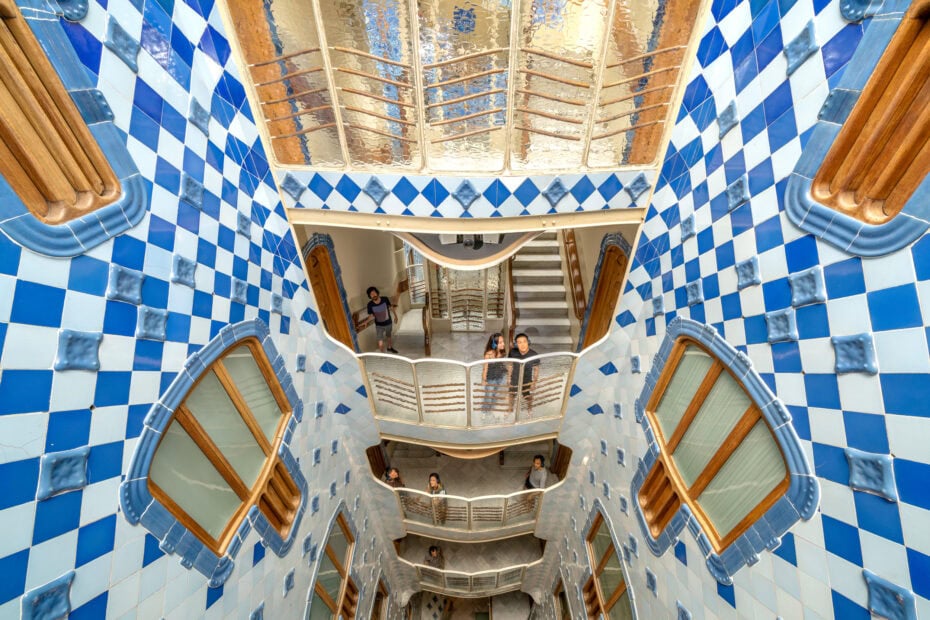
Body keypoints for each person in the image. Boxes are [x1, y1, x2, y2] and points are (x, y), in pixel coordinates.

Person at [480, 332, 512, 415]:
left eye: (503, 342)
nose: (503, 344)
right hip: (490, 378)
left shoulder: (502, 352)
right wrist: (483, 379)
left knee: (495, 394)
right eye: (500, 343)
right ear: (494, 344)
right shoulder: (489, 354)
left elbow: (502, 363)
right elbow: (485, 368)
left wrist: (508, 374)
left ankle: (491, 409)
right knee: (488, 395)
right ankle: (484, 411)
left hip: (500, 376)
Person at [509, 333, 540, 412]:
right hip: (514, 378)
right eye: (519, 342)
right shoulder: (512, 352)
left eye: (524, 342)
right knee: (511, 395)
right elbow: (510, 365)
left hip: (526, 380)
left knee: (527, 395)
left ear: (528, 342)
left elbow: (536, 370)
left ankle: (529, 408)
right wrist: (508, 378)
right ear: (516, 344)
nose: (522, 345)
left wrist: (534, 383)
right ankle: (510, 409)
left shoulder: (534, 354)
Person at [366, 286, 399, 354]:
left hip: (388, 322)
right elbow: (371, 315)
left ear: (377, 293)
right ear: (370, 296)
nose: (373, 295)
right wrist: (366, 322)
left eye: (374, 293)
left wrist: (396, 316)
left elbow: (391, 308)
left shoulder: (385, 299)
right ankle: (382, 353)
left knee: (388, 336)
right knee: (380, 340)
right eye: (371, 294)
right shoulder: (370, 305)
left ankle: (390, 348)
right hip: (379, 325)